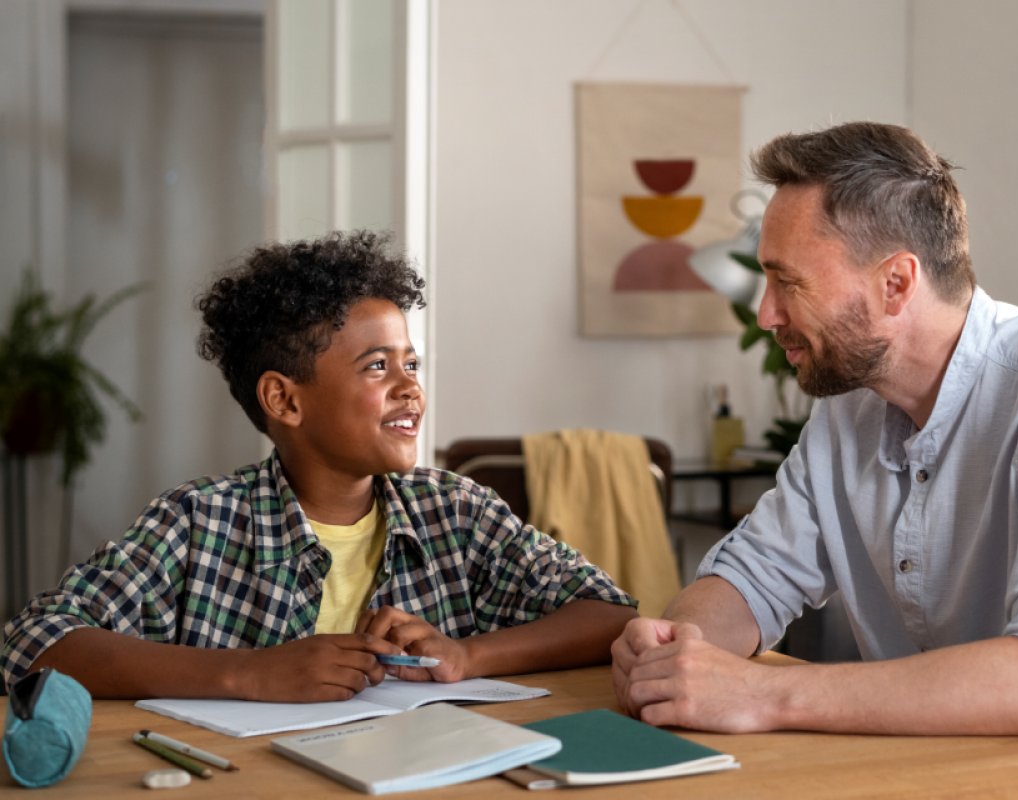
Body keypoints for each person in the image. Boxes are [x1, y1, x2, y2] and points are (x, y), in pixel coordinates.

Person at [612, 122, 1018, 793]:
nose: (767, 313)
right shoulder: (846, 411)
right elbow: (754, 576)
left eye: (787, 281)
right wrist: (676, 648)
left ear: (896, 283)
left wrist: (762, 694)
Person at [1, 230, 636, 701]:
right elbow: (33, 643)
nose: (410, 387)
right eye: (377, 367)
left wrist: (466, 655)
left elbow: (611, 613)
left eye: (410, 363)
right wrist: (249, 672)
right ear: (284, 399)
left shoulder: (456, 511)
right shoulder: (199, 524)